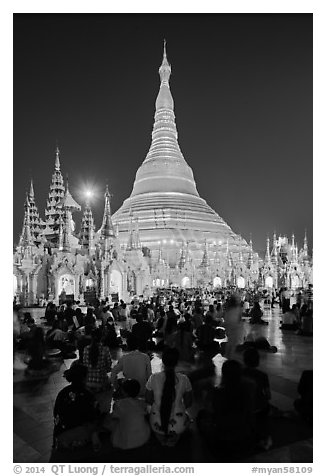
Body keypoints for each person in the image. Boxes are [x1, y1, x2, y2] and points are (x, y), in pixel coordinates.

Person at [197, 360, 256, 461]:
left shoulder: (217, 393)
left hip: (221, 444)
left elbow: (209, 411)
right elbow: (249, 412)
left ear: (223, 374)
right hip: (244, 441)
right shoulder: (247, 391)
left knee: (200, 416)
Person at [145, 347, 193, 446]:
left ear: (163, 361)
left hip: (156, 424)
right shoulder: (184, 379)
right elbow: (188, 403)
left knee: (148, 411)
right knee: (187, 416)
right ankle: (173, 437)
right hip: (178, 426)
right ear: (177, 362)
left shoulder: (153, 378)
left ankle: (162, 438)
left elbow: (148, 400)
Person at [53, 362, 100, 450]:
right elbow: (93, 416)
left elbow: (56, 414)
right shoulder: (87, 394)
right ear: (84, 378)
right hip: (77, 436)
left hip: (60, 435)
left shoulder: (62, 393)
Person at [108, 379, 151, 450]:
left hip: (125, 442)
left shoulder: (118, 404)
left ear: (124, 392)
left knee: (112, 421)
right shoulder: (142, 403)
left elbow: (113, 418)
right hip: (143, 438)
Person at [242, 348, 272, 449]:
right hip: (258, 408)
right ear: (258, 361)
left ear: (244, 360)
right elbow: (268, 396)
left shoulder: (239, 373)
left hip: (243, 407)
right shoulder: (262, 375)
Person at [83, 328, 112, 393]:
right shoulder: (105, 349)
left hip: (88, 382)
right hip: (101, 382)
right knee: (114, 377)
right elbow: (109, 366)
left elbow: (84, 364)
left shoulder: (86, 349)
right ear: (102, 337)